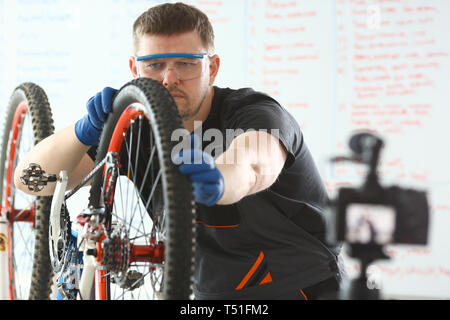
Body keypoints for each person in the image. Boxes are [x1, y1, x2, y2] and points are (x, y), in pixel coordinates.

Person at [14, 2, 345, 300]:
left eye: (186, 64)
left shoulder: (254, 112)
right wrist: (82, 131)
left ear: (211, 68)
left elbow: (254, 163)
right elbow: (33, 182)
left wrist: (221, 179)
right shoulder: (136, 131)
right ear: (134, 69)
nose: (169, 78)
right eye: (154, 65)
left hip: (301, 286)